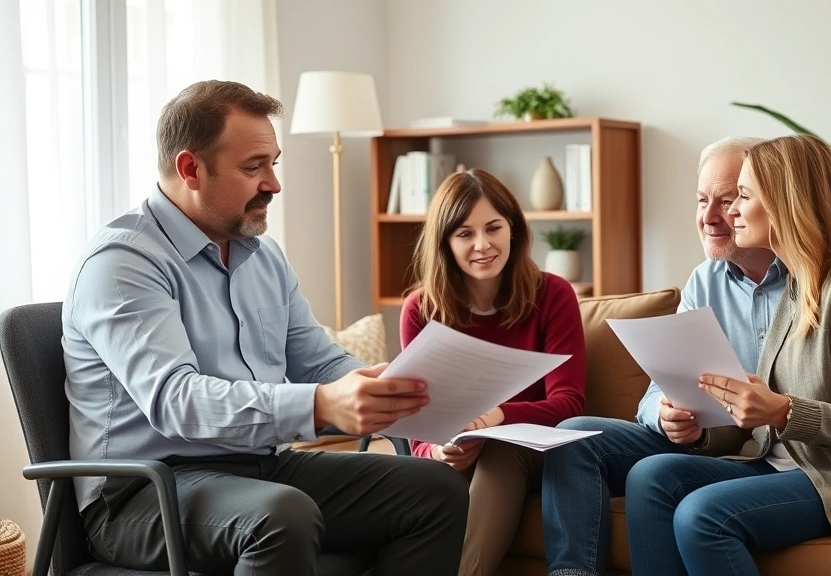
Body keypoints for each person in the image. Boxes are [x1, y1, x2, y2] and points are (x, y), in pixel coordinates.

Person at [62, 80, 468, 575]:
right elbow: (176, 401)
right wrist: (320, 403)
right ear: (190, 169)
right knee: (281, 517)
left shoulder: (263, 256)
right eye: (254, 167)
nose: (273, 183)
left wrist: (410, 394)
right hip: (143, 492)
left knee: (434, 490)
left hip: (262, 469)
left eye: (273, 163)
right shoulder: (123, 262)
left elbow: (319, 360)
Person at [624, 134, 831, 575]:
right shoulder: (787, 284)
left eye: (742, 196)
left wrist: (782, 411)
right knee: (650, 477)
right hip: (783, 464)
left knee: (702, 516)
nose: (728, 212)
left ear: (786, 203)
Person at [542, 136, 788, 576]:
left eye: (728, 200)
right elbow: (659, 387)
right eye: (701, 200)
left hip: (769, 449)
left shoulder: (811, 282)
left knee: (654, 476)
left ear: (767, 202)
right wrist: (665, 413)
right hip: (705, 436)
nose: (709, 218)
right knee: (572, 437)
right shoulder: (705, 279)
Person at [400, 168, 587, 576]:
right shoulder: (420, 310)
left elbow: (569, 403)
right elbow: (421, 426)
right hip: (461, 459)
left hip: (537, 455)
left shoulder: (553, 294)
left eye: (493, 228)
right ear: (445, 243)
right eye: (465, 234)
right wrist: (440, 452)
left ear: (514, 230)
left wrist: (496, 417)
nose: (482, 245)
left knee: (500, 448)